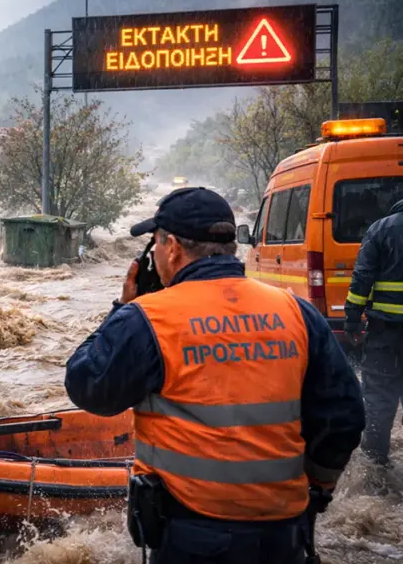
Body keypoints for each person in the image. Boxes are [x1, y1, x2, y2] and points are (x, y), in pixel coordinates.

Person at [65, 187, 365, 564]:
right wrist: (318, 488)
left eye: (154, 245)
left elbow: (88, 388)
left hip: (191, 535)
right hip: (285, 532)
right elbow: (345, 415)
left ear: (172, 246)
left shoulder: (148, 319)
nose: (153, 254)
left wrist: (122, 307)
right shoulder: (296, 311)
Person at [345, 198, 403, 468]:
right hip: (385, 330)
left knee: (379, 399)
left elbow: (362, 278)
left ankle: (376, 467)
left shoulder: (381, 229)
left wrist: (352, 319)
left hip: (386, 333)